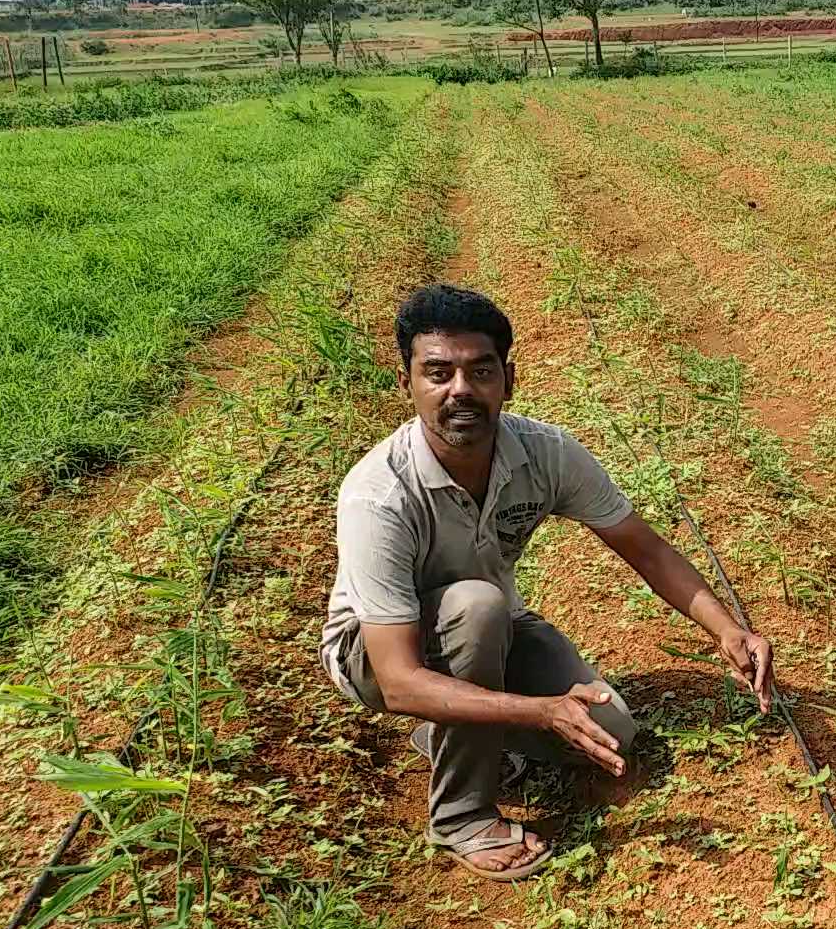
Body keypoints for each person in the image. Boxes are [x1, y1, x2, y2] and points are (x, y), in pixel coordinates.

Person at [321, 284, 775, 882]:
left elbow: (641, 545)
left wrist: (727, 629)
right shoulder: (378, 494)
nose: (460, 390)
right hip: (374, 650)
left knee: (612, 735)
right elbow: (401, 680)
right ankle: (461, 814)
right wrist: (539, 711)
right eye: (438, 373)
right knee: (477, 607)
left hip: (492, 630)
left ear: (509, 379)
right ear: (405, 383)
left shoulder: (546, 453)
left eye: (479, 371)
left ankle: (452, 731)